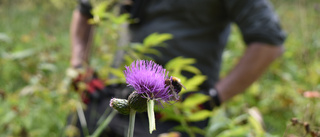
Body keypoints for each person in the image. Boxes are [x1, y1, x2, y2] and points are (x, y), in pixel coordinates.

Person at [69, 0, 286, 136]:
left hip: (174, 114)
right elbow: (85, 9)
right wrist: (80, 67)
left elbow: (269, 42)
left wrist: (212, 98)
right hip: (108, 97)